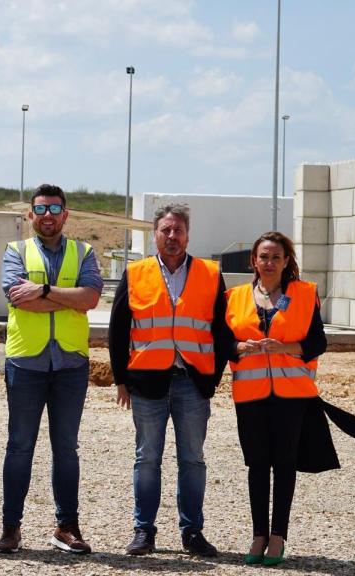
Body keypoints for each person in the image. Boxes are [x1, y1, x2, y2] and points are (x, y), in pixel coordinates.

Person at [225, 231, 355, 566]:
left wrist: (283, 348)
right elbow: (223, 343)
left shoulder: (303, 294)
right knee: (257, 464)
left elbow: (317, 343)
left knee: (284, 465)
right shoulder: (235, 297)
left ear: (287, 262)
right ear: (253, 260)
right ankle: (258, 534)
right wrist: (242, 347)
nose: (269, 263)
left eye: (276, 257)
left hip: (291, 395)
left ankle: (277, 537)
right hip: (250, 395)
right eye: (263, 257)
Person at [108, 203, 233, 557]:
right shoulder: (136, 273)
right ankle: (143, 532)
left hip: (193, 383)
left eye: (178, 230)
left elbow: (222, 331)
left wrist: (212, 378)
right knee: (147, 459)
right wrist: (121, 378)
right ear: (155, 233)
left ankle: (192, 532)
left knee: (192, 459)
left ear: (188, 234)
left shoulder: (210, 273)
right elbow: (118, 329)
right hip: (147, 383)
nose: (172, 236)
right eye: (166, 230)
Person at [0, 184, 102, 554]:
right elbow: (17, 299)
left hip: (71, 364)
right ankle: (11, 527)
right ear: (31, 215)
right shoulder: (16, 251)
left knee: (66, 449)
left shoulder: (84, 252)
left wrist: (40, 290)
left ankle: (67, 526)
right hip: (26, 362)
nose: (48, 215)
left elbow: (90, 298)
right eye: (40, 209)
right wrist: (64, 297)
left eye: (55, 208)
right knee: (19, 447)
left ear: (66, 214)